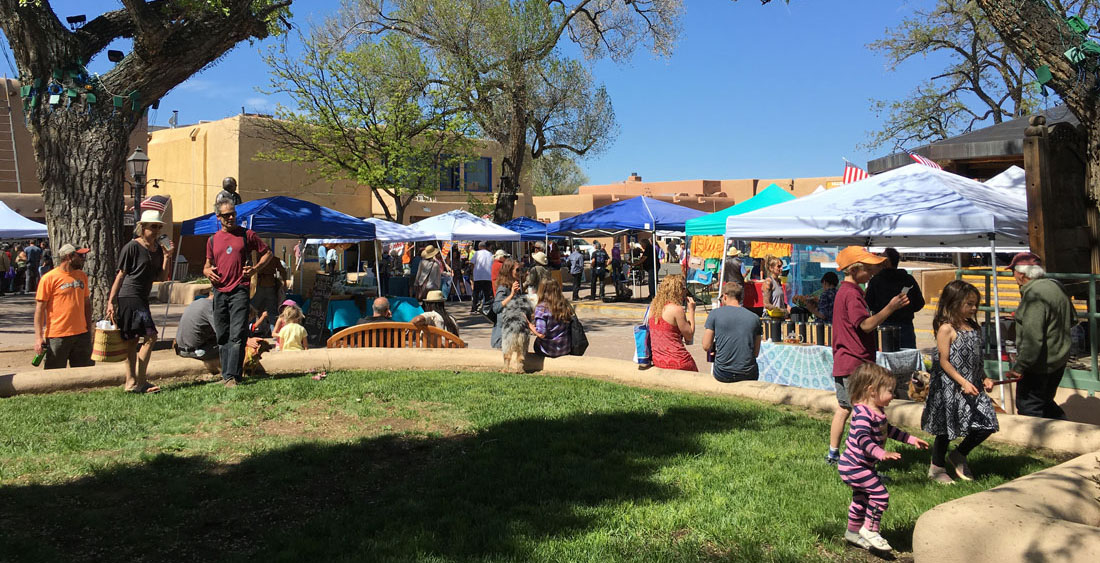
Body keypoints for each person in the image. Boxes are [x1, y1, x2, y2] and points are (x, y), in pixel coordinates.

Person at [827, 246, 910, 465]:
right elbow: (865, 325)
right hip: (856, 364)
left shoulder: (844, 291)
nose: (873, 271)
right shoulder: (852, 294)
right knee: (864, 415)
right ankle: (861, 460)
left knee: (844, 408)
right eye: (868, 267)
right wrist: (890, 308)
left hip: (844, 362)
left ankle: (833, 454)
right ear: (854, 269)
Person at [837, 364, 929, 552]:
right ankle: (870, 530)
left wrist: (911, 440)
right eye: (889, 391)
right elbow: (863, 439)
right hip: (855, 467)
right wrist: (882, 453)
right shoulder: (863, 414)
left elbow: (889, 431)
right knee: (880, 495)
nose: (893, 395)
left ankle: (852, 532)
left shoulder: (877, 411)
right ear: (872, 391)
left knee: (861, 500)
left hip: (860, 466)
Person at [921, 280, 999, 484]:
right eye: (969, 304)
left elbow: (977, 360)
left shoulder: (974, 328)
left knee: (987, 424)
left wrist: (985, 378)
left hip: (972, 385)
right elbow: (944, 361)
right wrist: (962, 382)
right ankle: (936, 468)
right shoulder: (946, 328)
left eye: (976, 304)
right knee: (947, 429)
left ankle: (959, 454)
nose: (974, 308)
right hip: (950, 387)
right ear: (953, 303)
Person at [203, 200, 273, 387]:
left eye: (233, 214)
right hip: (219, 292)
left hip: (239, 290)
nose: (231, 217)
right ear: (219, 217)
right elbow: (207, 265)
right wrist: (207, 272)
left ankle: (233, 376)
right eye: (226, 215)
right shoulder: (212, 240)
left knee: (237, 333)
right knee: (222, 334)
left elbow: (267, 253)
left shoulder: (246, 235)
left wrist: (255, 269)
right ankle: (227, 375)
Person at [107, 210, 175, 393]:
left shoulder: (157, 250)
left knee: (133, 340)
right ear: (142, 227)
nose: (157, 230)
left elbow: (160, 276)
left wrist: (167, 256)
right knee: (150, 336)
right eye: (153, 226)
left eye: (159, 227)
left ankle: (131, 382)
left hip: (142, 297)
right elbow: (121, 275)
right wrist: (111, 301)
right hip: (129, 296)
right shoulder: (132, 247)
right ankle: (141, 381)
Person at [1004, 252, 1076, 419]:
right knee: (1045, 402)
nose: (1013, 276)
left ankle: (1038, 444)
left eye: (1012, 271)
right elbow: (1072, 319)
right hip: (1058, 359)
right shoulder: (1056, 286)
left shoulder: (1034, 295)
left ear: (1021, 274)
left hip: (1039, 364)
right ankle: (1062, 434)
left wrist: (1020, 367)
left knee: (1029, 406)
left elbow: (1033, 340)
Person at [34, 243, 93, 369]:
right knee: (53, 375)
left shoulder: (82, 276)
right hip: (58, 336)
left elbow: (86, 304)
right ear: (68, 257)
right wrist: (39, 338)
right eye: (80, 255)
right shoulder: (49, 278)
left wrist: (89, 330)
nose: (84, 258)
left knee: (84, 374)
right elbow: (39, 310)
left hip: (81, 334)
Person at [865, 248, 926, 349]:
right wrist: (906, 311)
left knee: (884, 361)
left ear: (887, 262)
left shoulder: (876, 280)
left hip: (883, 327)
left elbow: (868, 304)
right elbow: (919, 303)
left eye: (881, 257)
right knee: (907, 359)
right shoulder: (908, 279)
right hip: (905, 328)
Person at [702, 281, 761, 383]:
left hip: (723, 372)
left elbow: (706, 346)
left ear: (724, 297)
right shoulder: (754, 318)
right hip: (748, 373)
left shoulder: (715, 314)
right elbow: (756, 353)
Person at [648, 274, 697, 371]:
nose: (685, 291)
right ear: (676, 291)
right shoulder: (676, 309)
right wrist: (692, 311)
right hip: (678, 360)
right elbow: (689, 336)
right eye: (683, 288)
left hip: (658, 359)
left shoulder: (653, 308)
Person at [174, 296, 221, 374]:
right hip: (195, 351)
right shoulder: (210, 307)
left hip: (181, 349)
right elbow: (222, 332)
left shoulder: (196, 303)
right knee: (233, 346)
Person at [530, 278, 572, 357]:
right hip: (565, 348)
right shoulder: (565, 304)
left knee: (537, 342)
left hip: (548, 350)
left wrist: (529, 325)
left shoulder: (542, 308)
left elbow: (541, 333)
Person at [491, 258, 524, 349]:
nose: (519, 272)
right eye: (517, 270)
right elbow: (496, 307)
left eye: (520, 269)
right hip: (503, 337)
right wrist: (512, 295)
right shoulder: (503, 288)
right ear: (509, 271)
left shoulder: (514, 286)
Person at [251, 255, 287, 337]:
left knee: (252, 309)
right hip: (270, 285)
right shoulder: (274, 259)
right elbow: (283, 271)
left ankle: (249, 330)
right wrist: (284, 282)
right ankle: (273, 331)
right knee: (272, 311)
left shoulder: (257, 258)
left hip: (259, 285)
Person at [471, 242, 494, 314]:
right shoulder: (490, 254)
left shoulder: (476, 253)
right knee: (487, 294)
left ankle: (474, 308)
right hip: (487, 276)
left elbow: (472, 263)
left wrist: (473, 271)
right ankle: (487, 309)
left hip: (478, 276)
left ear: (479, 247)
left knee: (476, 293)